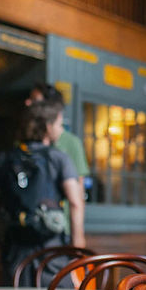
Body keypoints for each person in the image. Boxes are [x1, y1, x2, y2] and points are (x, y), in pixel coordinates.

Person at [0, 100, 85, 290]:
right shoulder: (59, 158)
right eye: (60, 124)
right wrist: (77, 246)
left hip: (16, 249)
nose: (61, 129)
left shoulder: (6, 158)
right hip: (52, 251)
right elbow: (75, 202)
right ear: (47, 127)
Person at [26, 82, 88, 237]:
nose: (28, 103)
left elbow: (78, 196)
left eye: (34, 100)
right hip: (29, 229)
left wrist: (77, 238)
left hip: (60, 229)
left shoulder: (71, 143)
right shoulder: (24, 143)